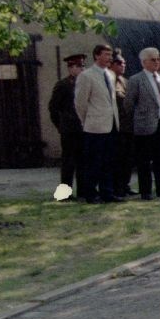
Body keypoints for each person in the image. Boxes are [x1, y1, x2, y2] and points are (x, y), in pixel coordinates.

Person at [126, 47, 160, 199]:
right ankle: (146, 191)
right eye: (153, 60)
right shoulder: (136, 80)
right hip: (146, 125)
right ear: (143, 62)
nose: (157, 62)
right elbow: (129, 104)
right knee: (144, 161)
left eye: (158, 59)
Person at [73, 43, 123, 203]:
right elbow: (80, 103)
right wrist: (87, 121)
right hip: (95, 126)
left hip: (111, 124)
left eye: (110, 55)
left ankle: (107, 193)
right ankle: (90, 194)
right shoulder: (86, 76)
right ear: (96, 56)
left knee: (108, 162)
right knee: (94, 163)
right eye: (106, 55)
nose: (109, 58)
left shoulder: (110, 74)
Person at [49, 53, 88, 200]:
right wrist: (61, 126)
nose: (81, 69)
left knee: (83, 162)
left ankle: (83, 192)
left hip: (83, 128)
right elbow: (53, 108)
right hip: (69, 130)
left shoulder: (85, 83)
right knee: (68, 162)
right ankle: (64, 194)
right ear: (70, 68)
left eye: (83, 66)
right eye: (78, 66)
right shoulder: (63, 85)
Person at [109, 51, 136, 197]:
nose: (123, 65)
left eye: (124, 63)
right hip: (115, 127)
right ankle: (116, 187)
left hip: (128, 127)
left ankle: (125, 185)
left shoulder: (125, 81)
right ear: (112, 65)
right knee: (117, 160)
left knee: (128, 159)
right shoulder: (109, 81)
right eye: (119, 63)